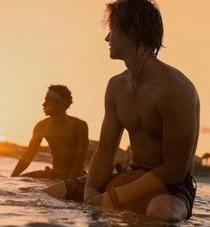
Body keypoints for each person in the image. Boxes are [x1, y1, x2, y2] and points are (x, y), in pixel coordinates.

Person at [83, 0, 199, 222]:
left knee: (160, 213)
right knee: (51, 194)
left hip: (171, 187)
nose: (107, 38)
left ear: (132, 31)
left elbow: (175, 170)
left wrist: (113, 198)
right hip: (130, 174)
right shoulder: (116, 86)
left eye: (112, 30)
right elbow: (106, 152)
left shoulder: (175, 88)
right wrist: (90, 191)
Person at [11, 85, 89, 180]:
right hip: (54, 174)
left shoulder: (79, 125)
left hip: (77, 175)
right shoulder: (42, 126)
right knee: (21, 181)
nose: (43, 104)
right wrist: (12, 179)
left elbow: (80, 161)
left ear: (59, 103)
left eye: (47, 101)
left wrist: (69, 182)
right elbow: (28, 156)